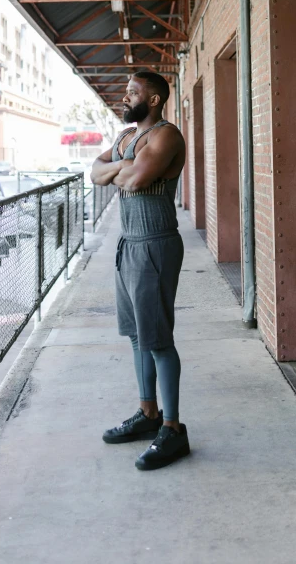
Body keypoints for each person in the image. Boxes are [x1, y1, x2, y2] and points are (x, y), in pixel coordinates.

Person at [91, 70, 189, 471]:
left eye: (132, 93)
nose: (124, 98)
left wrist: (121, 168)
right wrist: (122, 166)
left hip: (155, 243)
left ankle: (173, 429)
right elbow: (96, 175)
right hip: (128, 243)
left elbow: (132, 180)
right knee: (136, 337)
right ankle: (148, 414)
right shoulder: (125, 138)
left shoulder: (165, 136)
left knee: (158, 340)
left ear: (152, 99)